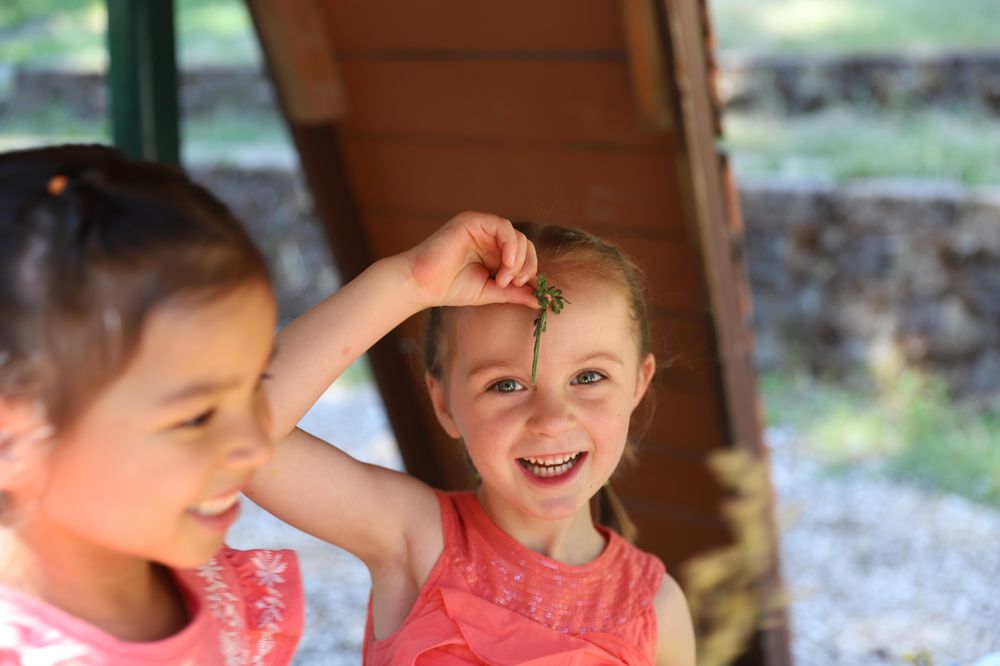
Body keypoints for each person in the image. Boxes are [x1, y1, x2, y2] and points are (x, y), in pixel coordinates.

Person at [0, 144, 538, 665]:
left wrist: (411, 283)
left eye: (251, 388)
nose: (255, 443)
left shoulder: (177, 581)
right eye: (196, 416)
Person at [252, 222, 697, 664]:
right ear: (444, 404)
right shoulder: (414, 540)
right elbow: (239, 433)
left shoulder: (657, 609)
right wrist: (411, 282)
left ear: (638, 385)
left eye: (588, 377)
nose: (551, 420)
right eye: (506, 385)